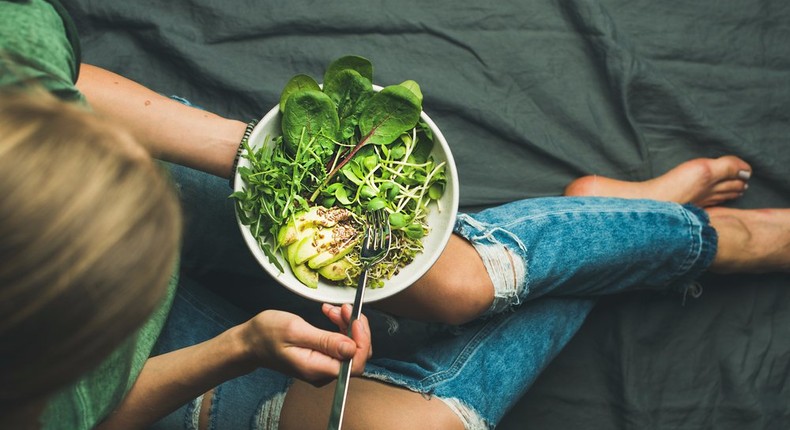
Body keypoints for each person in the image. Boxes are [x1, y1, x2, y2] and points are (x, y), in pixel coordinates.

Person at [4, 1, 790, 429]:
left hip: (124, 169)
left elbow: (59, 80)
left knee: (456, 288)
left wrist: (267, 160)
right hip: (130, 369)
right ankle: (612, 227)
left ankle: (711, 241)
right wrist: (237, 348)